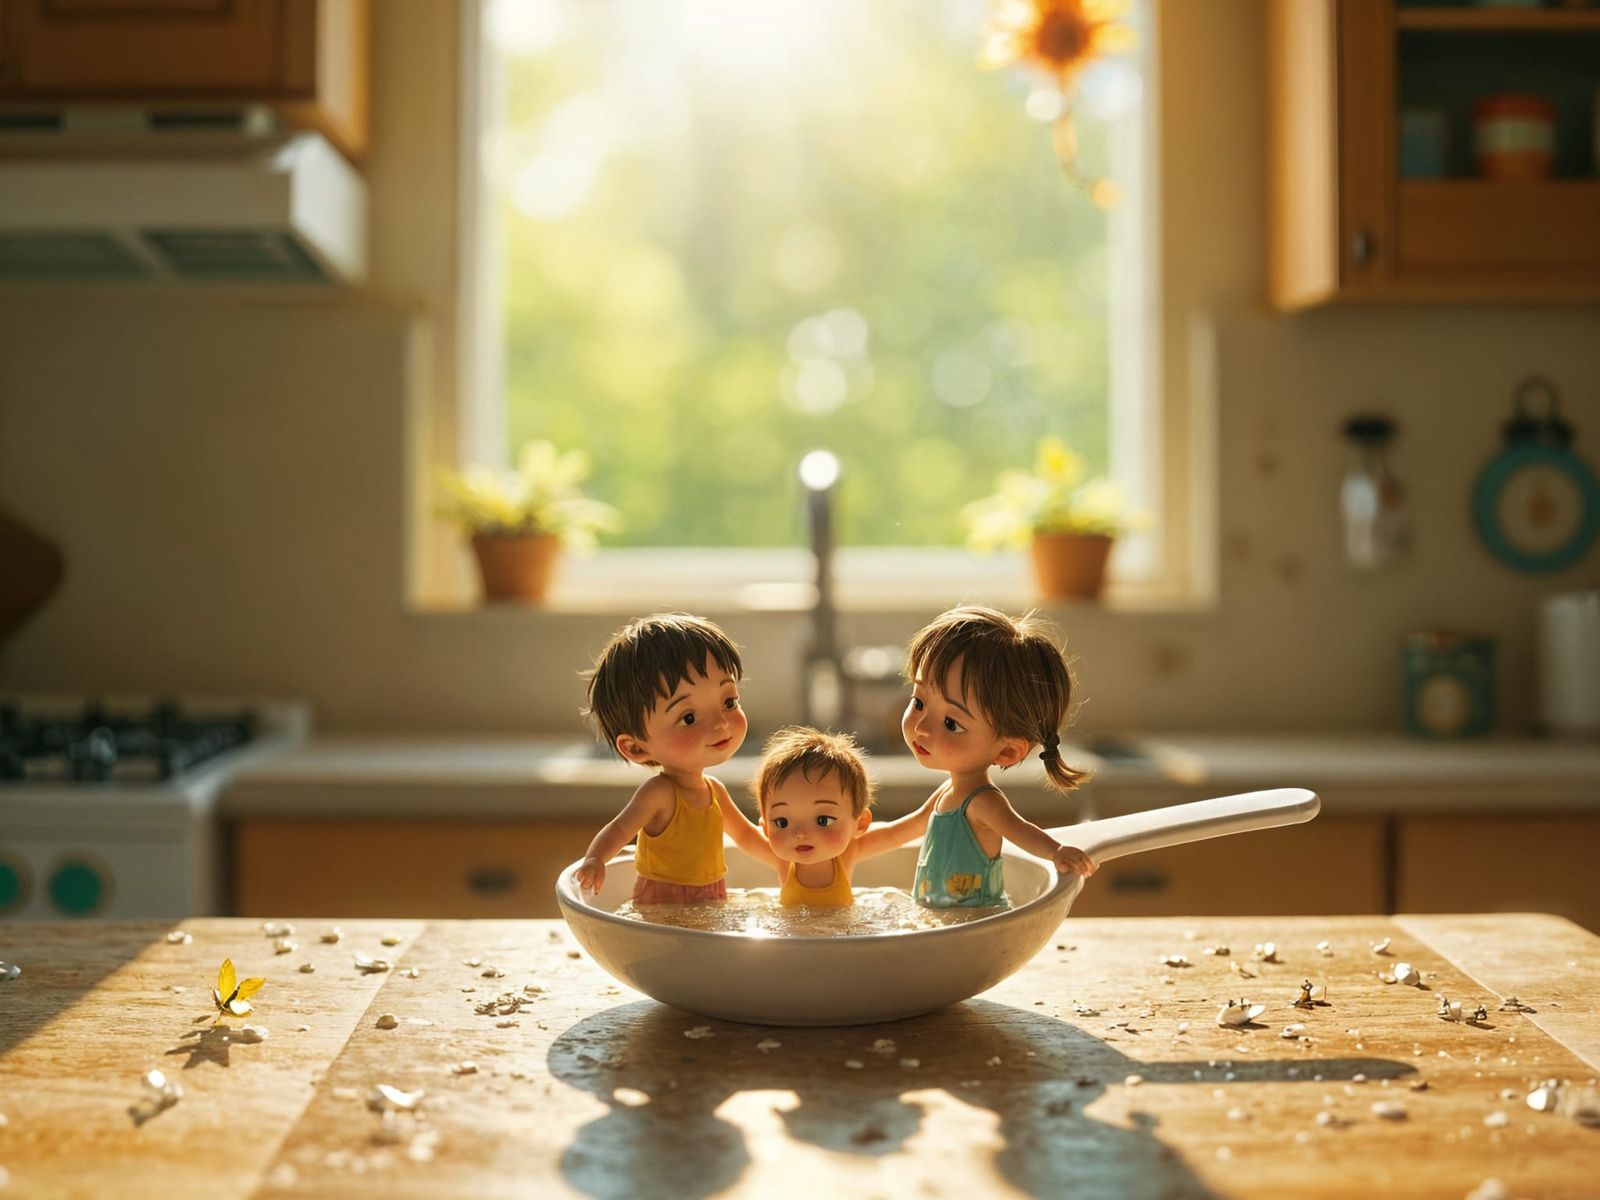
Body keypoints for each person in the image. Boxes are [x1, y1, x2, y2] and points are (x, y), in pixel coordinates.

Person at [902, 605, 1097, 908]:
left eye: (951, 723)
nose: (921, 727)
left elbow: (1020, 831)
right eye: (918, 702)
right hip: (942, 926)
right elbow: (906, 828)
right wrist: (853, 843)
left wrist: (1056, 851)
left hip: (975, 927)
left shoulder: (982, 802)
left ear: (1007, 750)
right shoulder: (947, 794)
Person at [573, 613, 772, 902]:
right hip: (662, 903)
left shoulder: (715, 791)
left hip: (712, 894)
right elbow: (620, 828)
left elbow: (745, 836)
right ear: (637, 748)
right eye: (688, 718)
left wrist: (784, 860)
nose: (720, 723)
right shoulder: (659, 794)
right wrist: (595, 859)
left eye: (729, 702)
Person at [748, 726, 936, 907]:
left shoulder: (848, 853)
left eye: (823, 821)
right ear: (766, 828)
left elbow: (904, 830)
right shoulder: (783, 861)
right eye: (782, 822)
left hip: (840, 936)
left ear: (860, 824)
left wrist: (954, 787)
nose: (800, 834)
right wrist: (718, 793)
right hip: (792, 938)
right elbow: (741, 833)